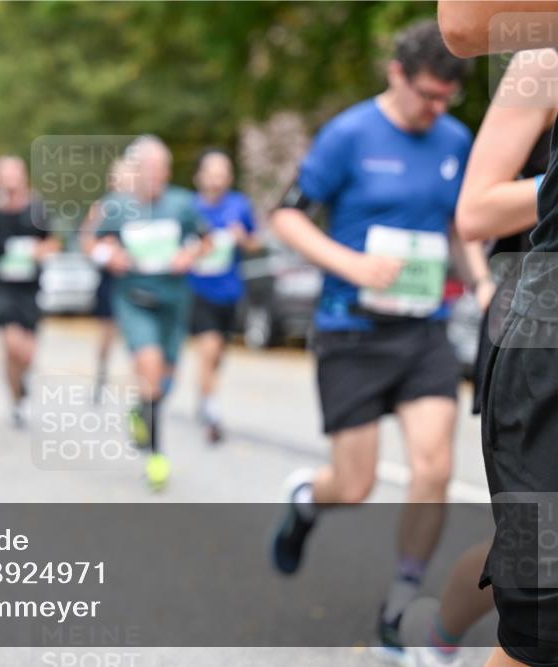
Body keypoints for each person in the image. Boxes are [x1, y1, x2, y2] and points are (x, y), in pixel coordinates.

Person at [267, 20, 486, 660]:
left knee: (434, 467)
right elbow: (286, 215)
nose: (436, 109)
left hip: (423, 330)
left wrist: (480, 281)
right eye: (426, 94)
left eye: (447, 99)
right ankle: (309, 502)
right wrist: (350, 264)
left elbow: (461, 222)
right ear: (397, 74)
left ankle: (400, 603)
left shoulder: (455, 139)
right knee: (355, 484)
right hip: (352, 331)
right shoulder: (349, 134)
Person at [439, 8, 558, 663]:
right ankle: (439, 632)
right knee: (527, 552)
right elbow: (475, 210)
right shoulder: (543, 62)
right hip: (535, 321)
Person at [83, 135, 209, 490]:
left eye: (160, 169)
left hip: (174, 300)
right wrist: (110, 256)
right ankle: (156, 455)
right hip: (134, 299)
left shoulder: (182, 204)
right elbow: (90, 241)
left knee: (166, 381)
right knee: (150, 369)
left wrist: (191, 255)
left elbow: (206, 239)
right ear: (135, 172)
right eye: (147, 169)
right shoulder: (116, 206)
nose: (154, 176)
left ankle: (141, 409)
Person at [186, 149, 261, 443]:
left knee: (218, 356)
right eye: (212, 173)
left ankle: (204, 394)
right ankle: (212, 412)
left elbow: (256, 244)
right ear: (199, 177)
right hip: (197, 291)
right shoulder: (189, 209)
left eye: (223, 174)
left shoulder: (239, 206)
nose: (217, 180)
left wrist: (244, 239)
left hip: (230, 293)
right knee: (209, 348)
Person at [0, 156, 60, 427]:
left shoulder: (37, 208)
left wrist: (39, 251)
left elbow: (54, 241)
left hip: (31, 288)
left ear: (23, 177)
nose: (9, 181)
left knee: (27, 353)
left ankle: (22, 389)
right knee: (11, 346)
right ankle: (16, 398)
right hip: (2, 287)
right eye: (4, 176)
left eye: (14, 175)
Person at [81, 157, 131, 404]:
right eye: (121, 175)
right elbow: (87, 242)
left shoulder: (148, 205)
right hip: (111, 278)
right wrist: (107, 253)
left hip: (139, 279)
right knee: (108, 333)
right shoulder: (102, 206)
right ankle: (101, 373)